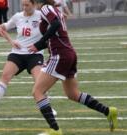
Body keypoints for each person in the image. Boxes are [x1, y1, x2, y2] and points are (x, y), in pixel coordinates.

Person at [28, 0, 118, 134]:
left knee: (37, 92)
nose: (25, 5)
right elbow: (55, 35)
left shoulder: (45, 8)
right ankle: (108, 111)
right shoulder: (54, 9)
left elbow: (56, 25)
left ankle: (55, 130)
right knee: (73, 94)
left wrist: (39, 43)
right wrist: (38, 46)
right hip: (68, 53)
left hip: (60, 55)